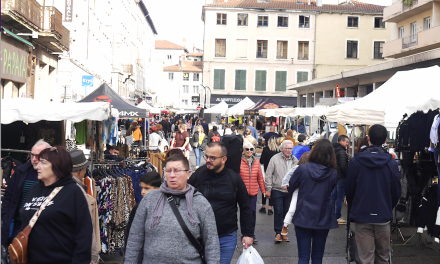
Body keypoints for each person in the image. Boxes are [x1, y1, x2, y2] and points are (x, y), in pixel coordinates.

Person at [125, 155, 220, 263]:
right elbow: (135, 239)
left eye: (177, 171)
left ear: (188, 174)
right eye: (168, 171)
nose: (172, 175)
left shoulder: (201, 204)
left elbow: (212, 245)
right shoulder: (149, 200)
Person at [19, 146, 93, 263]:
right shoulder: (35, 189)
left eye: (43, 163)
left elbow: (84, 235)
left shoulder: (73, 191)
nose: (37, 166)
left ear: (57, 166)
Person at [188, 142, 254, 264]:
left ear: (224, 159)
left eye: (212, 158)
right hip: (199, 236)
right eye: (206, 156)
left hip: (226, 236)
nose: (208, 160)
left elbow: (245, 207)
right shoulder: (198, 176)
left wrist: (248, 234)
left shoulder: (234, 179)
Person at [345, 125, 401, 264]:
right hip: (383, 214)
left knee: (365, 258)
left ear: (368, 138)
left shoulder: (356, 161)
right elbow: (396, 190)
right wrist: (388, 204)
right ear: (386, 140)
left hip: (362, 214)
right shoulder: (391, 162)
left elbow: (349, 188)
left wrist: (354, 206)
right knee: (383, 257)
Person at [288, 139, 338, 264]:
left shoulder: (303, 169)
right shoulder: (333, 173)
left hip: (304, 215)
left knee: (303, 256)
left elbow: (291, 186)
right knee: (317, 257)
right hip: (323, 215)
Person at [1, 140, 51, 249]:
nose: (34, 159)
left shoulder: (53, 175)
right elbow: (8, 197)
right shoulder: (21, 172)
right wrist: (6, 216)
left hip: (43, 228)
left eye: (38, 156)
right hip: (18, 226)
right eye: (32, 155)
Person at [265, 140, 298, 243]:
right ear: (282, 149)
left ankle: (284, 233)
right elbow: (269, 174)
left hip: (289, 191)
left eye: (291, 148)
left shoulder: (295, 160)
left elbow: (298, 175)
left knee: (287, 212)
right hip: (277, 189)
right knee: (278, 212)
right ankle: (278, 233)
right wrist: (268, 189)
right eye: (287, 148)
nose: (289, 151)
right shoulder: (275, 159)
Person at [70, 150, 100, 264]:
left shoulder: (55, 187)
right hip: (76, 253)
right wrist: (93, 256)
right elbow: (87, 227)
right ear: (81, 171)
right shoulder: (78, 192)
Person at [125, 171, 161, 248]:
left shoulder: (166, 207)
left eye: (147, 188)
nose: (143, 192)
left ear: (157, 189)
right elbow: (131, 235)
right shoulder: (137, 208)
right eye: (141, 188)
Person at [240, 142, 266, 243]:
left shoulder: (256, 162)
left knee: (252, 212)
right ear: (243, 151)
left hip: (253, 192)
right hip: (242, 193)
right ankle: (244, 232)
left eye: (251, 149)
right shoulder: (240, 161)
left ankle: (250, 233)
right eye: (247, 149)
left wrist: (263, 190)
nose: (249, 151)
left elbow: (260, 177)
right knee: (244, 213)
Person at [280, 151, 311, 237]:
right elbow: (288, 176)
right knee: (297, 209)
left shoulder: (298, 167)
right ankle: (286, 225)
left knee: (292, 209)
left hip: (299, 190)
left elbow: (287, 176)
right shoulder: (300, 167)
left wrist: (285, 184)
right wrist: (284, 184)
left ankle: (285, 225)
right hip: (303, 191)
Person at [259, 136, 280, 215]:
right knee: (273, 189)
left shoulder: (265, 149)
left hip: (266, 171)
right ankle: (270, 208)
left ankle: (263, 206)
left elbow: (261, 161)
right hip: (276, 172)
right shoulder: (279, 150)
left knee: (265, 189)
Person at [331, 135, 350, 225]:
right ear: (341, 141)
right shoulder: (341, 151)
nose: (347, 144)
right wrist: (347, 175)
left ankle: (330, 215)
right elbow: (343, 166)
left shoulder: (332, 149)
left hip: (334, 176)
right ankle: (337, 216)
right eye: (346, 142)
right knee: (339, 197)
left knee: (333, 197)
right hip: (341, 177)